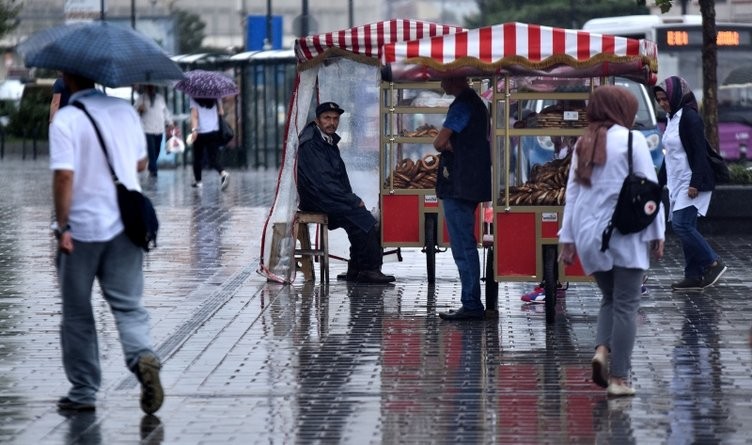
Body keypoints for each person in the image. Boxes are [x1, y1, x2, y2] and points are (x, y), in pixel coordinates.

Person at [49, 72, 164, 414]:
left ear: (68, 77)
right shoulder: (125, 111)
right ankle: (143, 355)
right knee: (129, 306)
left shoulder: (66, 118)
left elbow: (64, 176)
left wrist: (62, 225)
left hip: (81, 229)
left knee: (78, 312)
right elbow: (141, 163)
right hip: (126, 225)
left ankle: (83, 392)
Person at [558, 85, 665, 397]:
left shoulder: (583, 142)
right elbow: (650, 191)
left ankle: (602, 350)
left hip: (590, 237)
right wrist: (658, 233)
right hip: (625, 234)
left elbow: (572, 196)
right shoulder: (633, 140)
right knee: (627, 306)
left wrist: (567, 239)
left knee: (609, 299)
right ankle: (618, 379)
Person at [296, 101, 395, 284]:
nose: (331, 122)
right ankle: (368, 269)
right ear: (317, 120)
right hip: (318, 198)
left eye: (335, 119)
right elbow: (324, 182)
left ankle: (357, 268)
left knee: (358, 220)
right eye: (327, 118)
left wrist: (349, 199)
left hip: (325, 196)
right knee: (364, 220)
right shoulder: (312, 143)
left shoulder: (326, 139)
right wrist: (351, 200)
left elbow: (336, 178)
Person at [654, 76, 727, 290]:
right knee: (687, 226)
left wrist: (695, 182)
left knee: (682, 225)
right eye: (659, 100)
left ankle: (713, 262)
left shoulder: (690, 118)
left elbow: (698, 153)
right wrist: (659, 183)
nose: (662, 103)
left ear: (677, 95)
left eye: (665, 99)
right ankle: (693, 275)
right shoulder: (672, 118)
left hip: (692, 181)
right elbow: (671, 156)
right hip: (677, 183)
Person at [433, 76, 492, 321]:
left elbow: (439, 141)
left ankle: (471, 303)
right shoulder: (476, 103)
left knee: (463, 245)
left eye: (442, 76)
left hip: (459, 184)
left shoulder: (463, 104)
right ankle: (472, 302)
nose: (440, 83)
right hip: (471, 182)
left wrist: (444, 145)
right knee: (466, 243)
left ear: (453, 78)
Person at [188, 97, 229, 190]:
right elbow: (221, 112)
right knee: (213, 158)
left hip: (200, 132)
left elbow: (194, 115)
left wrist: (194, 130)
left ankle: (198, 181)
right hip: (214, 131)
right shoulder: (215, 96)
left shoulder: (194, 96)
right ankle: (223, 173)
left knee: (197, 158)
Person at [135, 84, 174, 177]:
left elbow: (165, 112)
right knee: (151, 150)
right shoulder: (141, 99)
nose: (151, 89)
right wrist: (139, 109)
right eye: (149, 87)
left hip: (159, 129)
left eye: (152, 87)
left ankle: (151, 166)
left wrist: (170, 122)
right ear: (145, 88)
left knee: (157, 150)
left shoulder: (160, 98)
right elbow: (134, 112)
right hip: (147, 129)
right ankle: (154, 170)